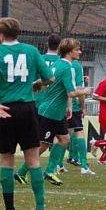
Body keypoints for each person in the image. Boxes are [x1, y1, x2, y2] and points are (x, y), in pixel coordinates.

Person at [0, 17, 53, 210]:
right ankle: (40, 209)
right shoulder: (31, 51)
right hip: (27, 109)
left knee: (7, 160)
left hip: (5, 109)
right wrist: (37, 83)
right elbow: (49, 77)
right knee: (33, 160)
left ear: (1, 34)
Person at [17, 39, 92, 186]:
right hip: (50, 112)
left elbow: (50, 80)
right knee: (43, 145)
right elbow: (71, 92)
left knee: (65, 140)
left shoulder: (59, 63)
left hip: (57, 112)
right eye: (77, 49)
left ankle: (50, 171)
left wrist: (68, 106)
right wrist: (86, 90)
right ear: (70, 51)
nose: (80, 52)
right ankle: (21, 172)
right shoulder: (67, 67)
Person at [14, 34, 64, 185]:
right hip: (49, 106)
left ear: (46, 44)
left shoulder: (39, 58)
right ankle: (24, 170)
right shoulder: (62, 63)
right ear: (60, 45)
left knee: (63, 138)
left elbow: (32, 79)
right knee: (44, 141)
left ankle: (50, 170)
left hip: (37, 102)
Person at [64, 56, 93, 176]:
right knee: (79, 131)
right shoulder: (76, 65)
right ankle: (84, 165)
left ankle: (58, 164)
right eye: (77, 49)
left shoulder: (56, 63)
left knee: (61, 136)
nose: (80, 52)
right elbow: (80, 89)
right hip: (72, 105)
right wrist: (83, 107)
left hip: (54, 105)